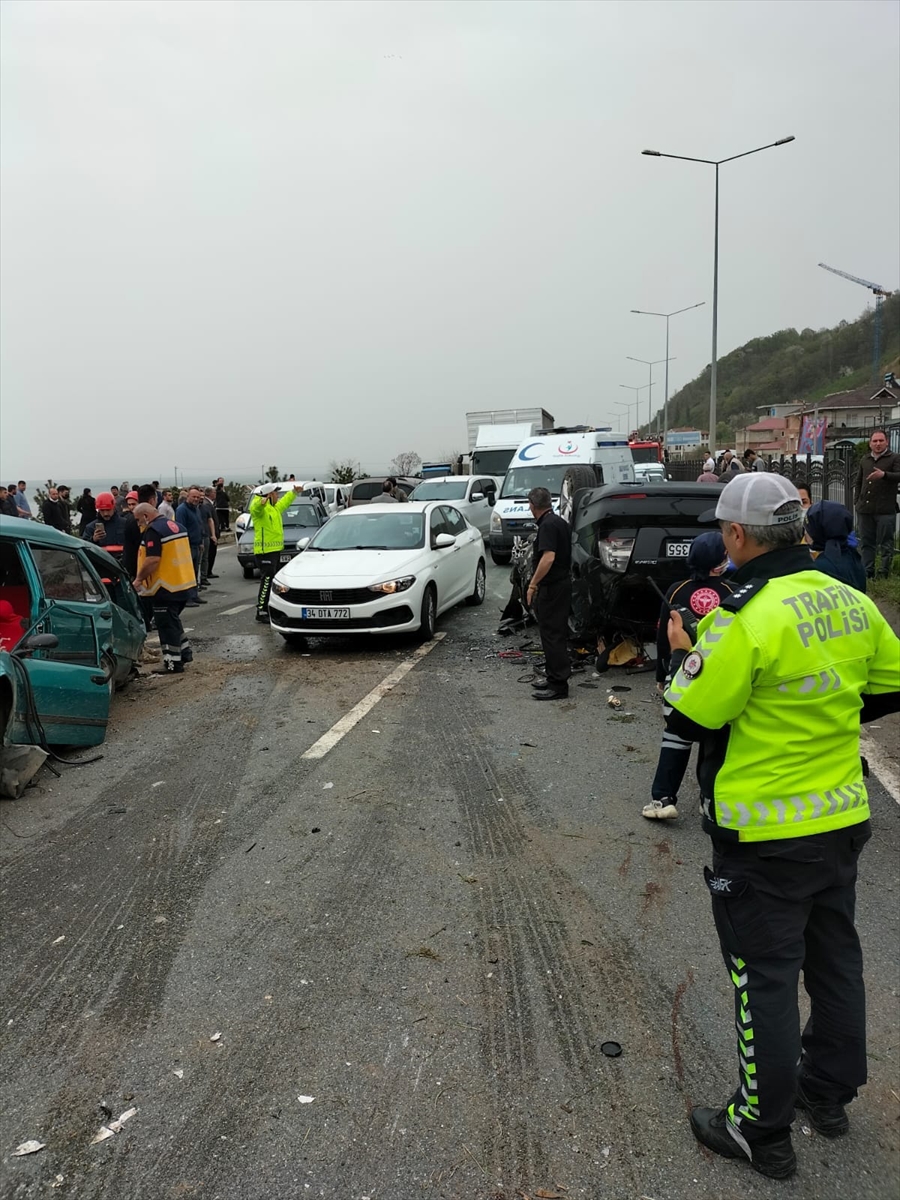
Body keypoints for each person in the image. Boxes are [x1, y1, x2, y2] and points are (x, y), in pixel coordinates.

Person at [662, 472, 900, 1180]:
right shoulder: (849, 598)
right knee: (835, 960)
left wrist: (681, 652)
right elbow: (889, 687)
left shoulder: (743, 616)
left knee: (762, 977)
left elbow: (688, 715)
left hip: (762, 834)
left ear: (737, 535)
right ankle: (826, 1093)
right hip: (840, 817)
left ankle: (759, 1130)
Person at [643, 531, 734, 820]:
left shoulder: (674, 591)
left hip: (683, 672)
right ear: (721, 561)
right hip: (719, 677)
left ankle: (663, 799)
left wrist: (662, 675)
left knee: (675, 733)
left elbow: (663, 637)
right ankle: (710, 799)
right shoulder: (734, 591)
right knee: (717, 739)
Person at [132, 501, 196, 673]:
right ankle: (184, 653)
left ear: (146, 516)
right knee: (173, 621)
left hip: (164, 587)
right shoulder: (177, 526)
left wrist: (139, 579)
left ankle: (172, 662)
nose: (138, 524)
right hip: (183, 583)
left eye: (138, 520)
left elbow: (153, 559)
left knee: (166, 626)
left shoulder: (154, 531)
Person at [525, 486, 572, 700]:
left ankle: (559, 685)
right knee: (552, 633)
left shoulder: (548, 526)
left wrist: (533, 584)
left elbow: (548, 557)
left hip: (553, 587)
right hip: (560, 585)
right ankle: (554, 677)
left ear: (532, 505)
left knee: (553, 635)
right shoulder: (558, 522)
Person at [248, 481, 304, 622]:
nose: (278, 496)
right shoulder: (260, 508)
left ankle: (271, 608)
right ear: (269, 495)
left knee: (274, 581)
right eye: (275, 494)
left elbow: (284, 503)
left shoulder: (274, 508)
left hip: (275, 550)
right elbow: (255, 509)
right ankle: (261, 610)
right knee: (266, 581)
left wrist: (294, 493)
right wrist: (261, 503)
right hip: (265, 552)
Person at [854, 429, 900, 580]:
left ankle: (883, 573)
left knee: (886, 543)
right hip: (865, 509)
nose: (878, 444)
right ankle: (868, 571)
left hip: (885, 509)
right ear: (870, 443)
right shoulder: (865, 459)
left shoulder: (894, 458)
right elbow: (859, 481)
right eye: (875, 441)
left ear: (887, 442)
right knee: (866, 542)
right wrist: (856, 501)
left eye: (881, 440)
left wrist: (884, 475)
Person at [806, 500, 867, 593]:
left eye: (808, 529)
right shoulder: (853, 556)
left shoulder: (821, 567)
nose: (805, 533)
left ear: (819, 532)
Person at [175, 486, 207, 607]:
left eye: (198, 497)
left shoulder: (196, 509)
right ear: (188, 496)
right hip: (187, 546)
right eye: (194, 497)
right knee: (187, 573)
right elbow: (180, 528)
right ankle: (187, 598)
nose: (196, 499)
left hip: (196, 545)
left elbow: (199, 525)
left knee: (194, 571)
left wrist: (201, 542)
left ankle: (194, 595)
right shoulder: (181, 510)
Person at [81, 492, 128, 560]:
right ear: (98, 510)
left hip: (123, 563)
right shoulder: (90, 527)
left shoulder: (125, 524)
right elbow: (84, 548)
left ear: (113, 507)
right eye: (102, 510)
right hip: (101, 563)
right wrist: (93, 540)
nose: (105, 513)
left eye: (108, 510)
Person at [202, 487, 221, 579]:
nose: (215, 494)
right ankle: (207, 572)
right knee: (210, 553)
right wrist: (212, 534)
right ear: (209, 493)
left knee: (211, 553)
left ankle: (208, 571)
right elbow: (209, 519)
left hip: (212, 532)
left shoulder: (210, 503)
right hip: (210, 533)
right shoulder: (207, 504)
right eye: (214, 492)